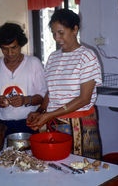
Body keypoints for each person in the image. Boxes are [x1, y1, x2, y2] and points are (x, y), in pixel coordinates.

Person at [27, 9, 102, 159]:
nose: (57, 38)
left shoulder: (86, 56)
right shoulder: (53, 57)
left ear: (75, 29)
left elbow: (84, 99)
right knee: (57, 167)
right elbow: (52, 92)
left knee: (82, 169)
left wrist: (49, 115)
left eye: (61, 32)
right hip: (55, 122)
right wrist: (41, 111)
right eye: (54, 33)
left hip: (80, 124)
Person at [0, 22, 47, 136]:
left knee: (29, 153)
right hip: (2, 123)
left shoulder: (34, 63)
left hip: (28, 121)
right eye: (4, 49)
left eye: (13, 48)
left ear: (21, 44)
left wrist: (25, 100)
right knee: (4, 153)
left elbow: (43, 96)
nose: (10, 53)